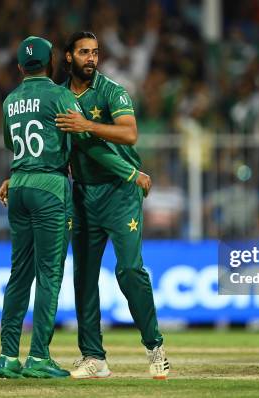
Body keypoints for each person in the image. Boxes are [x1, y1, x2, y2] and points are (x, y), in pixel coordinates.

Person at [0, 36, 149, 379]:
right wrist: (130, 171)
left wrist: (14, 176)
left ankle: (7, 357)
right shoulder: (60, 95)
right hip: (49, 187)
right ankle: (38, 358)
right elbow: (88, 145)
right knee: (49, 273)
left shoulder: (9, 101)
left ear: (20, 67)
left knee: (19, 274)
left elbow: (14, 146)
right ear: (52, 62)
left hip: (18, 187)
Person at [54, 31, 169, 379]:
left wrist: (87, 125)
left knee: (129, 270)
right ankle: (94, 358)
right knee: (84, 277)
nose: (91, 58)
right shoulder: (57, 97)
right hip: (83, 195)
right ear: (69, 57)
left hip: (120, 193)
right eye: (84, 53)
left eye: (95, 52)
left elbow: (129, 133)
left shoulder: (111, 91)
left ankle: (155, 347)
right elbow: (51, 146)